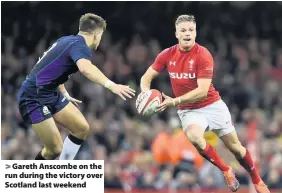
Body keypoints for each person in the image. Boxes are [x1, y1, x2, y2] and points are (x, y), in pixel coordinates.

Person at [139, 15, 269, 193]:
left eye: (191, 30)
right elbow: (146, 77)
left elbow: (202, 90)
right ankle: (225, 170)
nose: (187, 33)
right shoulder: (167, 55)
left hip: (212, 105)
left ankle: (257, 180)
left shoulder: (203, 54)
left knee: (237, 149)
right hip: (189, 110)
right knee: (195, 139)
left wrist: (174, 101)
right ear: (176, 34)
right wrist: (145, 92)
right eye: (183, 30)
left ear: (195, 33)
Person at [17, 13, 135, 160]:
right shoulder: (81, 46)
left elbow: (49, 69)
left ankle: (62, 173)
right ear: (97, 34)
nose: (100, 40)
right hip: (33, 97)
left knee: (81, 129)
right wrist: (112, 86)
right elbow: (86, 69)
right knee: (54, 149)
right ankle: (33, 179)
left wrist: (64, 92)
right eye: (101, 35)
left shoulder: (66, 41)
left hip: (50, 93)